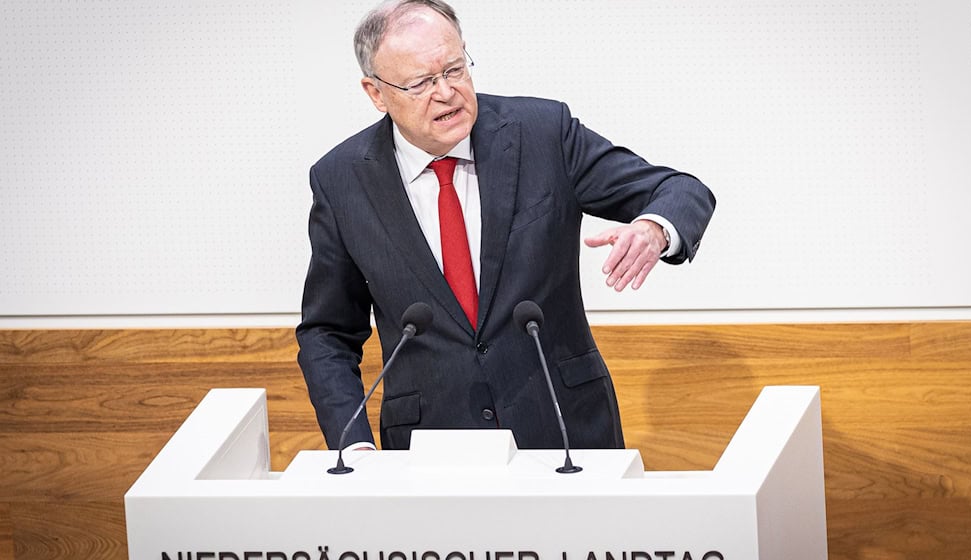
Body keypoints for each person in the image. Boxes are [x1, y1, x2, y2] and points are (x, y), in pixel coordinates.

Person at [296, 0, 715, 451]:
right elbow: (328, 332)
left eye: (455, 69)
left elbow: (680, 190)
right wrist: (353, 445)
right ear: (376, 93)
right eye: (421, 82)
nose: (446, 92)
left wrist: (654, 229)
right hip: (431, 449)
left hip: (565, 429)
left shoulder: (542, 134)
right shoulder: (342, 179)